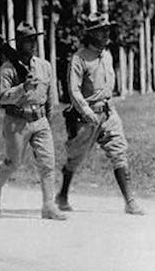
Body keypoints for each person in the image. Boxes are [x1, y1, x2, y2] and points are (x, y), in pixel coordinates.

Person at [56, 14, 145, 215]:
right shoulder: (79, 58)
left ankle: (130, 201)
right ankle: (62, 195)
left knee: (119, 151)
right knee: (74, 158)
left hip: (108, 113)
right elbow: (74, 90)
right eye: (101, 30)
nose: (106, 33)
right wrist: (86, 111)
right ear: (91, 34)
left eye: (107, 29)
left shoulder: (107, 55)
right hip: (86, 118)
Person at [0, 22, 66, 220]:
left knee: (48, 162)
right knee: (13, 163)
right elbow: (2, 97)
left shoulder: (44, 66)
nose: (32, 44)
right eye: (27, 41)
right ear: (19, 43)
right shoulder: (8, 68)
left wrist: (48, 119)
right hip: (17, 121)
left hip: (40, 120)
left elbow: (49, 95)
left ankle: (49, 205)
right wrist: (23, 87)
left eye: (34, 39)